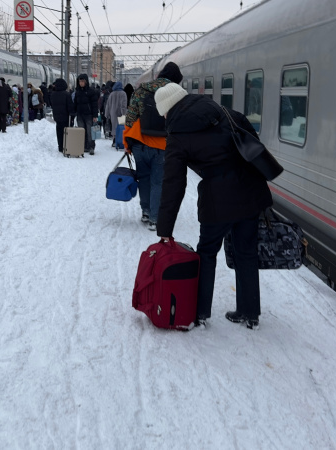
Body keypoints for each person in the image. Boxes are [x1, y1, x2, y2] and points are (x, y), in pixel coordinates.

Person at [153, 82, 273, 329]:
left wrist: (165, 228)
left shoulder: (177, 134)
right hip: (250, 189)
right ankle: (249, 313)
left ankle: (200, 313)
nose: (164, 117)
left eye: (163, 112)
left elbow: (173, 184)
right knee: (246, 252)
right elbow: (252, 140)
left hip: (218, 198)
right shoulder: (221, 110)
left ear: (168, 108)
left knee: (206, 253)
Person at [123, 62, 184, 230]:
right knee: (158, 182)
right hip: (163, 146)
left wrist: (127, 142)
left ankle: (146, 212)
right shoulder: (176, 93)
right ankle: (155, 219)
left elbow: (130, 118)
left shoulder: (142, 90)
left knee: (144, 178)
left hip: (140, 143)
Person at [73, 74, 99, 155]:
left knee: (90, 132)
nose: (81, 83)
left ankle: (91, 147)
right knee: (82, 131)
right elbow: (75, 103)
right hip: (80, 114)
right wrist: (74, 112)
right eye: (80, 81)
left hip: (89, 115)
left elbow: (94, 104)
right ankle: (83, 146)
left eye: (83, 81)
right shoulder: (77, 92)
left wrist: (95, 116)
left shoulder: (91, 91)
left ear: (86, 82)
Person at [49, 78, 75, 153]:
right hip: (66, 116)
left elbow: (52, 105)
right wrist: (72, 115)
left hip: (57, 116)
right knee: (66, 131)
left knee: (59, 131)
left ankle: (60, 146)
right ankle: (66, 145)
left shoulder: (53, 94)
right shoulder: (67, 94)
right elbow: (70, 106)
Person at [104, 81, 128, 146]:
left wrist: (107, 114)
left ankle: (114, 140)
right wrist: (124, 113)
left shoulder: (112, 94)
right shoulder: (123, 94)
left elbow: (108, 105)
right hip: (121, 113)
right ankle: (120, 140)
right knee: (121, 127)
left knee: (114, 127)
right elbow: (124, 105)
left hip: (113, 113)